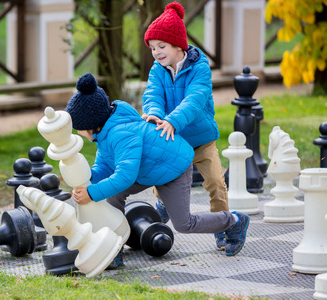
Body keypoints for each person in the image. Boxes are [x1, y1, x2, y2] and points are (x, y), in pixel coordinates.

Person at [66, 72, 249, 268]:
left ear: (90, 125)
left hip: (174, 167)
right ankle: (114, 248)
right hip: (148, 169)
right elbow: (105, 165)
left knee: (184, 224)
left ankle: (234, 221)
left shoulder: (121, 134)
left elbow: (125, 176)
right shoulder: (106, 131)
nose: (78, 132)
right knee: (113, 195)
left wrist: (92, 193)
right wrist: (89, 180)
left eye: (78, 128)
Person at [141, 2, 229, 250]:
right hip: (174, 140)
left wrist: (172, 120)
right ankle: (162, 206)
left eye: (162, 46)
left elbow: (194, 100)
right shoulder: (157, 70)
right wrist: (155, 116)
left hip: (201, 139)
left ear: (178, 45)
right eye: (152, 48)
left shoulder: (200, 68)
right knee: (162, 178)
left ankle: (223, 227)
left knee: (215, 183)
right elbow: (153, 96)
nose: (156, 52)